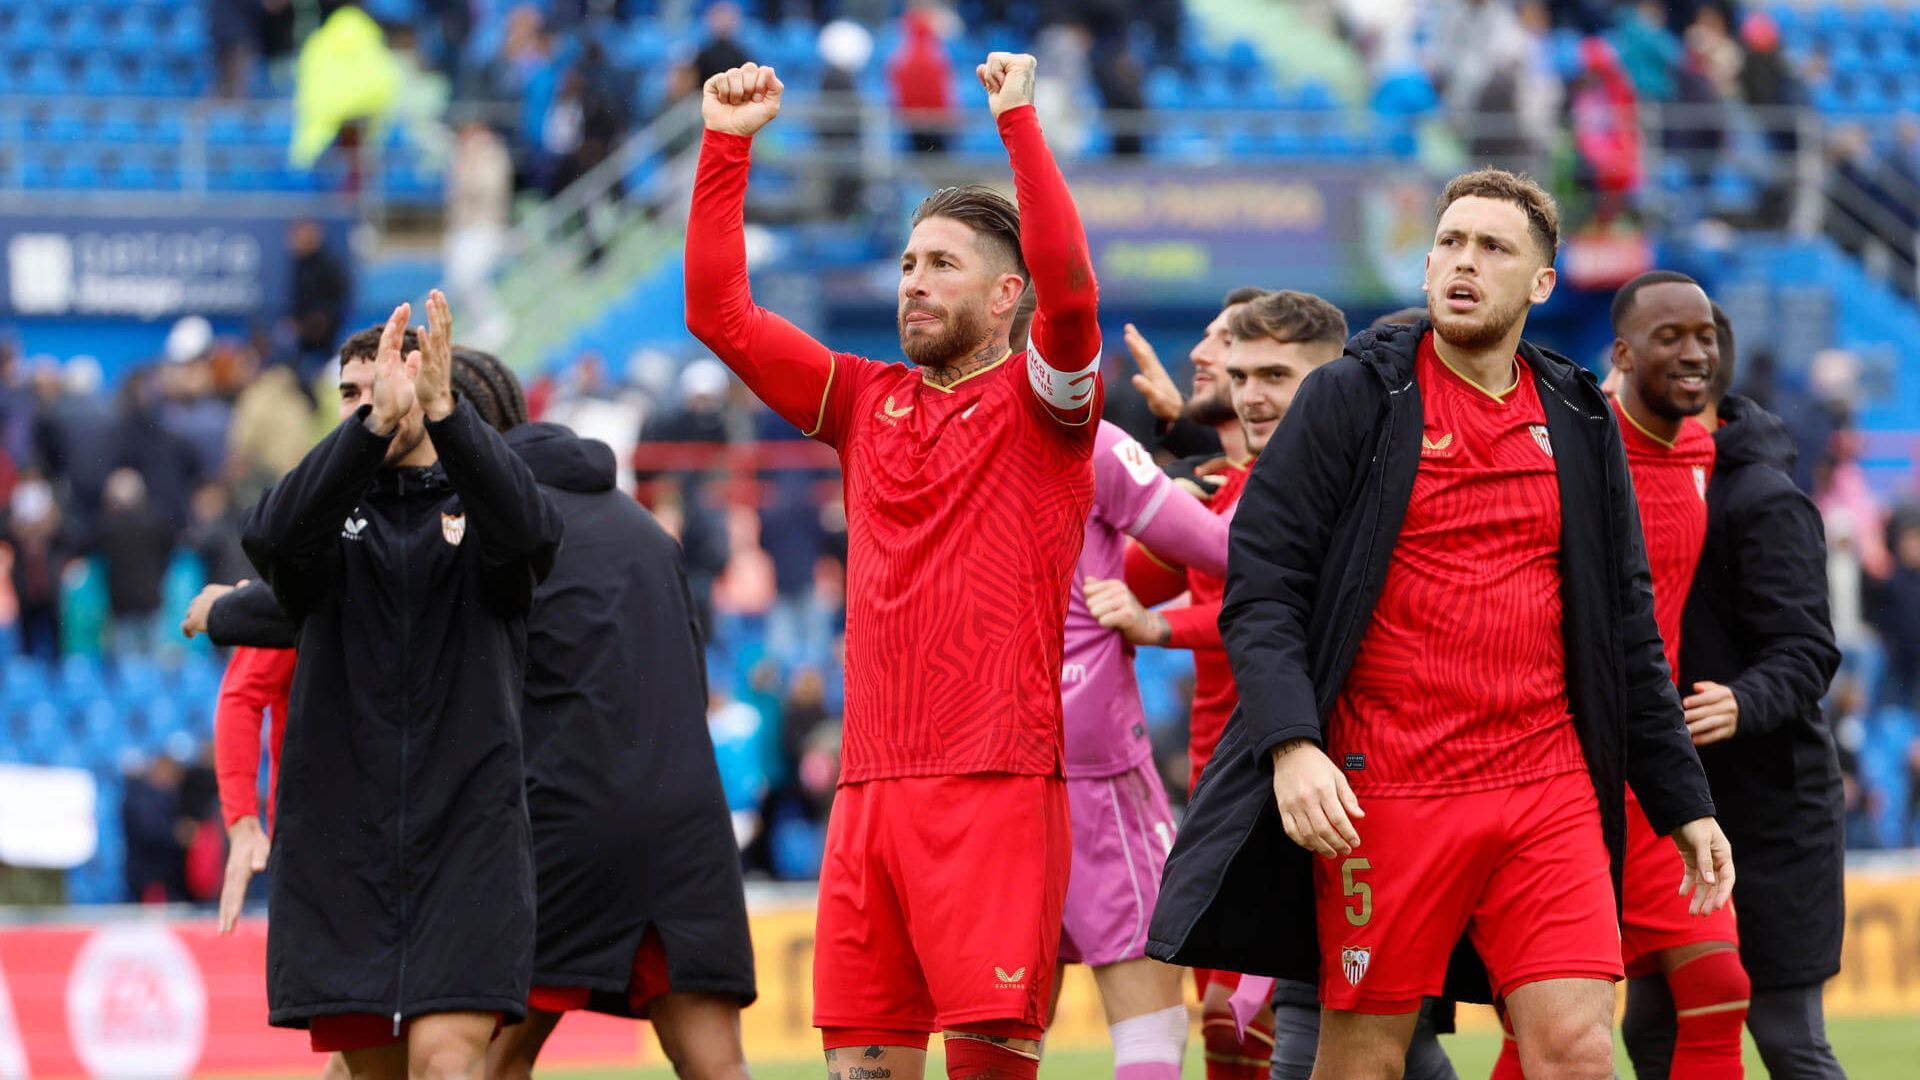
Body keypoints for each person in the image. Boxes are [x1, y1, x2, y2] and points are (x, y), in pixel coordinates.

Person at [1148, 169, 1734, 1080]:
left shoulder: (1579, 412)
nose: (1464, 262)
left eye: (1493, 248)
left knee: (1578, 1047)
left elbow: (1627, 625)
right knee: (1367, 1060)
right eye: (1451, 243)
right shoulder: (1353, 397)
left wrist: (1683, 800)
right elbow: (1262, 588)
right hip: (1386, 785)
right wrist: (1292, 744)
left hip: (1548, 786)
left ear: (1542, 283)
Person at [686, 54, 1100, 1077]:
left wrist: (1017, 125)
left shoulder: (1048, 406)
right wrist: (724, 146)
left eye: (942, 265)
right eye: (908, 264)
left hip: (993, 781)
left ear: (1009, 293)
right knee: (860, 1068)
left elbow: (1075, 290)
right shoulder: (865, 400)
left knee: (986, 1061)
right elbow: (719, 316)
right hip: (870, 788)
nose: (914, 282)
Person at [240, 295, 563, 1074]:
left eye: (386, 385)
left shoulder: (480, 506)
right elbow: (269, 541)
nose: (370, 400)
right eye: (350, 394)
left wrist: (450, 415)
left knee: (446, 1067)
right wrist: (369, 430)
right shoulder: (321, 520)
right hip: (342, 860)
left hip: (467, 852)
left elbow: (532, 536)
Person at [1086, 291, 1374, 1080]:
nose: (1226, 370)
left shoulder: (1331, 487)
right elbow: (1114, 585)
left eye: (1263, 367)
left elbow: (1283, 612)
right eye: (1226, 356)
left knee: (1289, 1019)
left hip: (1320, 777)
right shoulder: (1224, 490)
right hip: (1235, 782)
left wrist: (1160, 629)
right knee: (1251, 1020)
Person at [1502, 272, 1746, 1079]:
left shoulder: (1701, 452)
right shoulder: (1583, 446)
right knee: (1551, 1024)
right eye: (1669, 337)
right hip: (1569, 769)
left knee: (1718, 986)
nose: (1693, 352)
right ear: (1620, 354)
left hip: (1656, 768)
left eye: (1704, 336)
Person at [1673, 305, 1848, 1078]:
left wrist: (1743, 701)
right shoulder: (1635, 484)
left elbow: (1810, 649)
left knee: (1786, 1032)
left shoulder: (1764, 499)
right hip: (1678, 805)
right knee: (1657, 1021)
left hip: (1772, 812)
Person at [1057, 418, 1231, 1079]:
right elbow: (1232, 553)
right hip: (1092, 763)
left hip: (982, 761)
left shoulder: (938, 439)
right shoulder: (1092, 443)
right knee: (1153, 1018)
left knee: (1002, 1018)